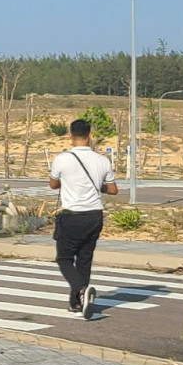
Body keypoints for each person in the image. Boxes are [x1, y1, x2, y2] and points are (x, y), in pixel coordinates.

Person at [49, 117, 117, 318]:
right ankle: (77, 303)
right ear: (90, 135)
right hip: (95, 215)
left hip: (72, 215)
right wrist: (97, 185)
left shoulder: (62, 159)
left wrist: (68, 182)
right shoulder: (103, 160)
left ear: (70, 135)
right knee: (84, 260)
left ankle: (80, 289)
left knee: (64, 258)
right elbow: (112, 189)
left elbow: (53, 184)